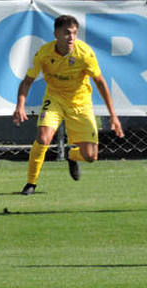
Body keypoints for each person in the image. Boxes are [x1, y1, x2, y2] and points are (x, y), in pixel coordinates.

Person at [12, 15, 125, 196]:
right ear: (56, 34)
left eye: (74, 33)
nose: (71, 37)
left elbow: (100, 82)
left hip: (80, 102)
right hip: (55, 99)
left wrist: (113, 115)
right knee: (43, 138)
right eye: (66, 33)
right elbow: (27, 81)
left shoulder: (84, 54)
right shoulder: (44, 53)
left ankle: (72, 155)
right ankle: (31, 183)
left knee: (91, 156)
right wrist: (20, 105)